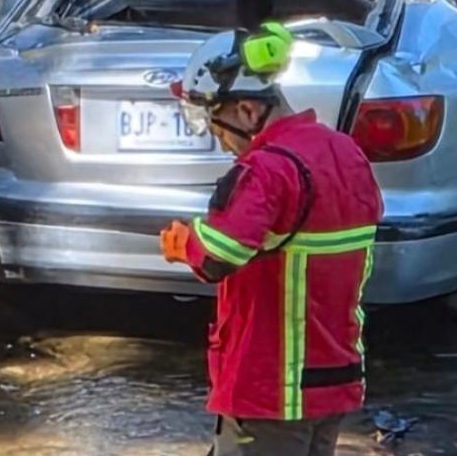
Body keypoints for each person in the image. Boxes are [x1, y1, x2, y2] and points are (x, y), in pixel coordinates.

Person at [160, 22, 384, 456]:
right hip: (332, 378)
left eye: (215, 121)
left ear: (246, 109)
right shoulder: (344, 152)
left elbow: (218, 255)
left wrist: (184, 241)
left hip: (271, 390)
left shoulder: (266, 170)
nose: (221, 140)